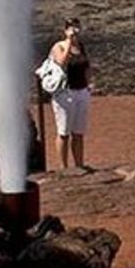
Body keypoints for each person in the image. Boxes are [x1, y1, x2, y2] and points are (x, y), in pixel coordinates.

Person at [48, 17, 92, 170]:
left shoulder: (81, 46)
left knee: (78, 132)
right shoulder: (58, 46)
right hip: (65, 93)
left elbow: (86, 65)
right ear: (65, 29)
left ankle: (79, 165)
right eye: (72, 27)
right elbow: (61, 62)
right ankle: (64, 167)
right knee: (64, 131)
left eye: (77, 27)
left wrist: (89, 84)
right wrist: (68, 42)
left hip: (81, 91)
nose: (75, 30)